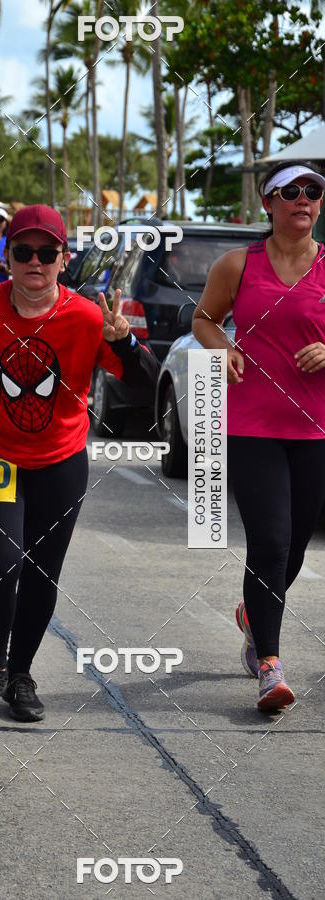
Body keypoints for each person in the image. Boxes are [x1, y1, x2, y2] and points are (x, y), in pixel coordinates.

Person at [0, 204, 159, 727]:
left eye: (46, 252)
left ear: (62, 259)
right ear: (7, 258)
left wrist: (126, 341)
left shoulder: (88, 316)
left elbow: (146, 383)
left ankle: (21, 674)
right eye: (23, 252)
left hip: (61, 460)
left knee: (41, 573)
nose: (35, 261)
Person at [192, 161, 325, 711]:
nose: (303, 199)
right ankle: (270, 665)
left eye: (313, 191)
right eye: (290, 192)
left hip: (316, 428)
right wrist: (220, 347)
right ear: (267, 203)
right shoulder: (236, 264)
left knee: (294, 546)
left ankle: (252, 612)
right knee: (269, 541)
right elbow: (203, 318)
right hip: (252, 425)